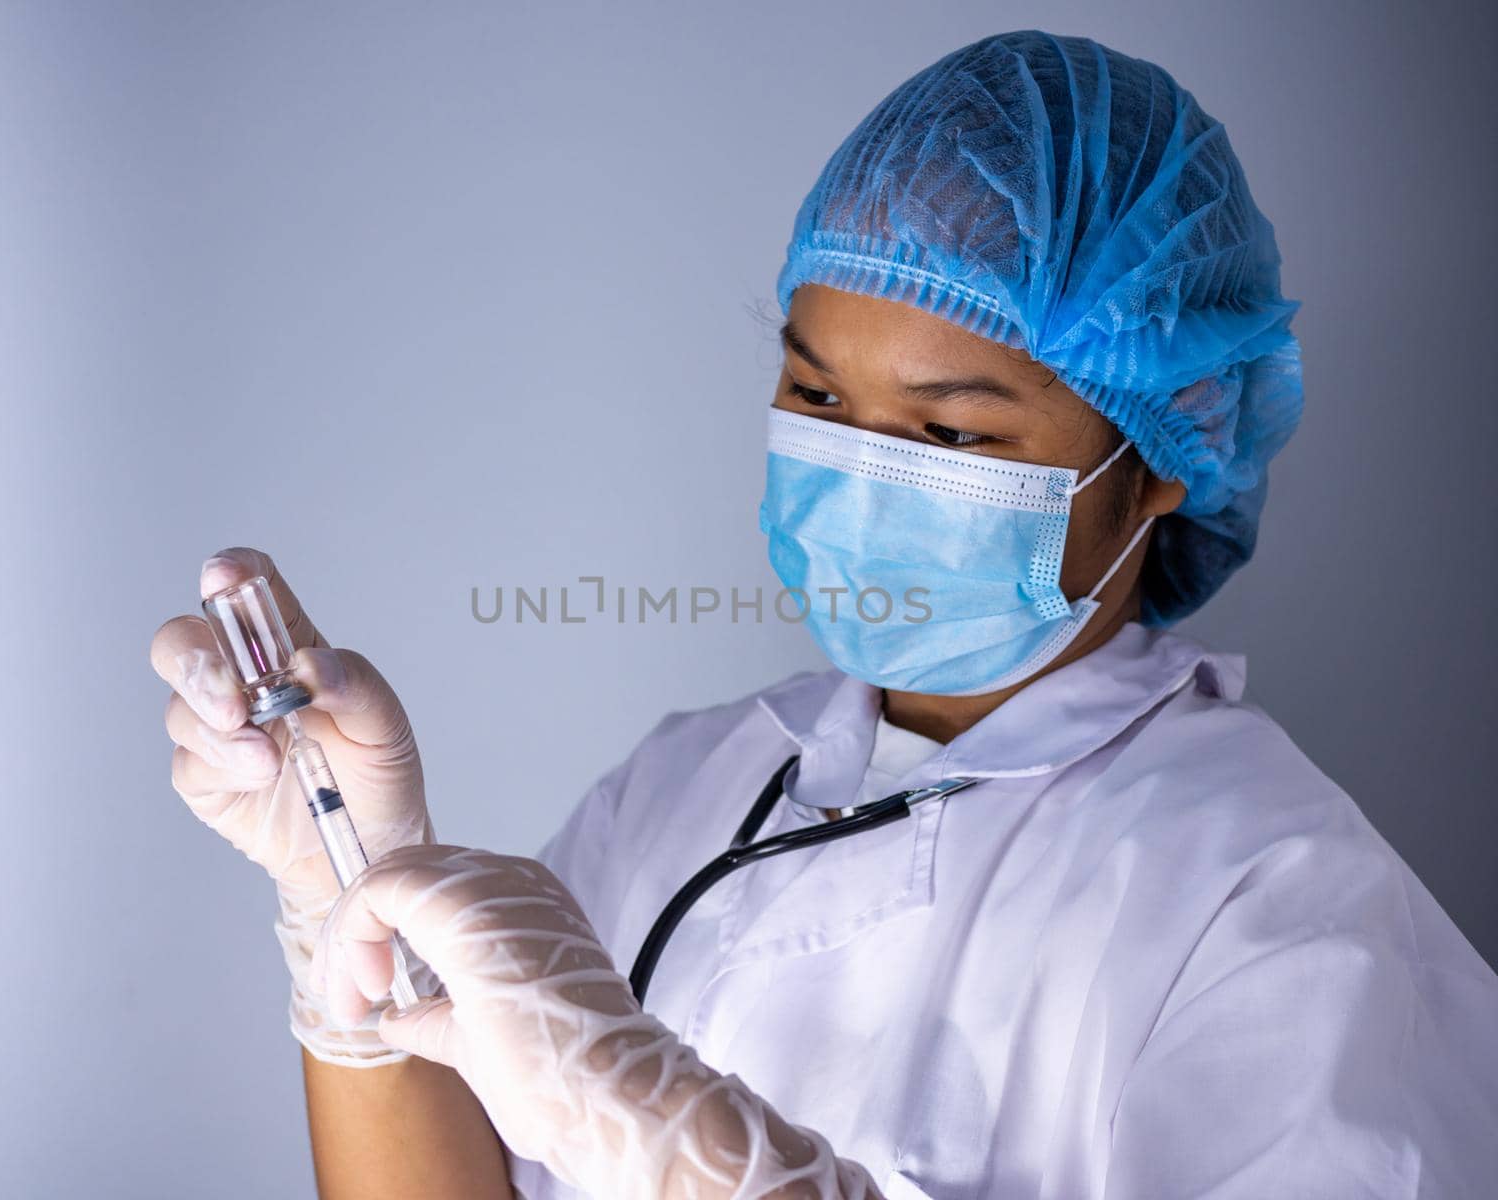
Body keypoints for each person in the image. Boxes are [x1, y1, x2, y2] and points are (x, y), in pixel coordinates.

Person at [151, 28, 1497, 1199]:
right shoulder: (685, 785)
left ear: (1155, 468)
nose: (860, 469)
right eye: (818, 398)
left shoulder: (1284, 918)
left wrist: (696, 1159)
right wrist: (350, 903)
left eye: (951, 433)